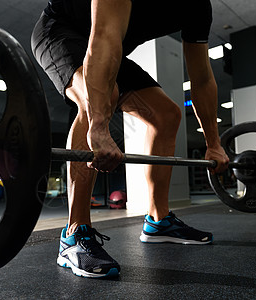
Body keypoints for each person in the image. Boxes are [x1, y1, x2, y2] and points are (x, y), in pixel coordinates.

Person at [31, 0, 229, 278]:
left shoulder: (197, 6)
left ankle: (158, 221)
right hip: (60, 33)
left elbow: (202, 78)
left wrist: (213, 143)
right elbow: (104, 37)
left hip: (109, 47)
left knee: (167, 115)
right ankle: (74, 234)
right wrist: (98, 125)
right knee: (99, 98)